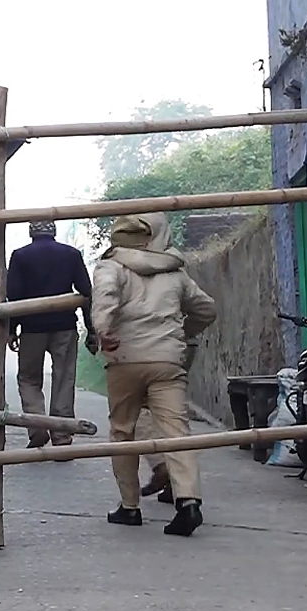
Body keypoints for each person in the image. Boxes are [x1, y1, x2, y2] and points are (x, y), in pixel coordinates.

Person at [91, 211, 217, 536]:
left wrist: (104, 330)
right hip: (168, 361)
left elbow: (104, 298)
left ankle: (129, 507)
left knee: (122, 431)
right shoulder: (175, 272)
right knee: (177, 431)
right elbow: (206, 309)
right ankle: (188, 501)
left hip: (125, 359)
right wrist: (178, 332)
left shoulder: (111, 265)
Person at [6, 220, 95, 447]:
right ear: (53, 231)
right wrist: (91, 329)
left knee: (28, 379)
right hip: (64, 326)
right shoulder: (71, 254)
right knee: (64, 379)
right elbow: (86, 292)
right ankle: (62, 434)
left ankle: (37, 427)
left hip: (31, 328)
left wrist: (12, 329)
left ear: (31, 232)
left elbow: (14, 297)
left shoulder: (20, 256)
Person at [137, 337, 199, 503]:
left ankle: (162, 464)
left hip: (149, 343)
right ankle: (183, 491)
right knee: (173, 416)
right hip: (181, 342)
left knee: (137, 408)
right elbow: (205, 312)